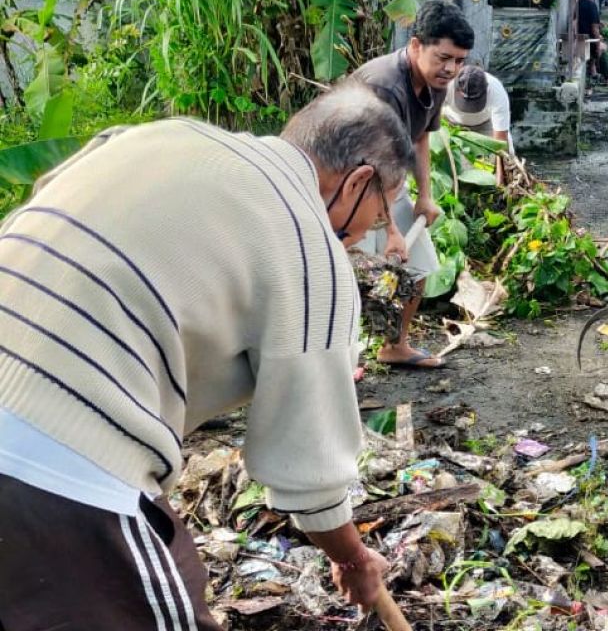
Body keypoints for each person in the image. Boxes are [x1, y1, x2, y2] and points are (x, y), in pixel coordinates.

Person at [0, 84, 414, 628]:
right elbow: (309, 470)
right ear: (359, 182)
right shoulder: (307, 244)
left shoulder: (157, 136)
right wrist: (354, 559)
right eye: (381, 217)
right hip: (56, 460)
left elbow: (46, 198)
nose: (367, 238)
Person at [352, 0, 474, 369]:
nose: (451, 69)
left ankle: (395, 346)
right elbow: (371, 163)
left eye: (459, 60)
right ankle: (341, 360)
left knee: (419, 268)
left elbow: (421, 137)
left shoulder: (435, 82)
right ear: (416, 44)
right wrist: (389, 228)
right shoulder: (385, 86)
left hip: (390, 186)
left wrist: (425, 196)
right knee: (353, 280)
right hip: (351, 190)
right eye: (444, 57)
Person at [444, 64, 514, 184]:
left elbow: (500, 142)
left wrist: (500, 180)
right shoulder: (445, 84)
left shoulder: (496, 89)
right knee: (457, 165)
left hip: (484, 124)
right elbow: (431, 119)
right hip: (452, 124)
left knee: (508, 157)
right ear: (457, 88)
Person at [577, 0, 608, 85]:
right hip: (588, 41)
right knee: (602, 48)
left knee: (598, 43)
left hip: (577, 39)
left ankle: (593, 71)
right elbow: (594, 29)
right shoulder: (591, 5)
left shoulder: (575, 3)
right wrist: (597, 44)